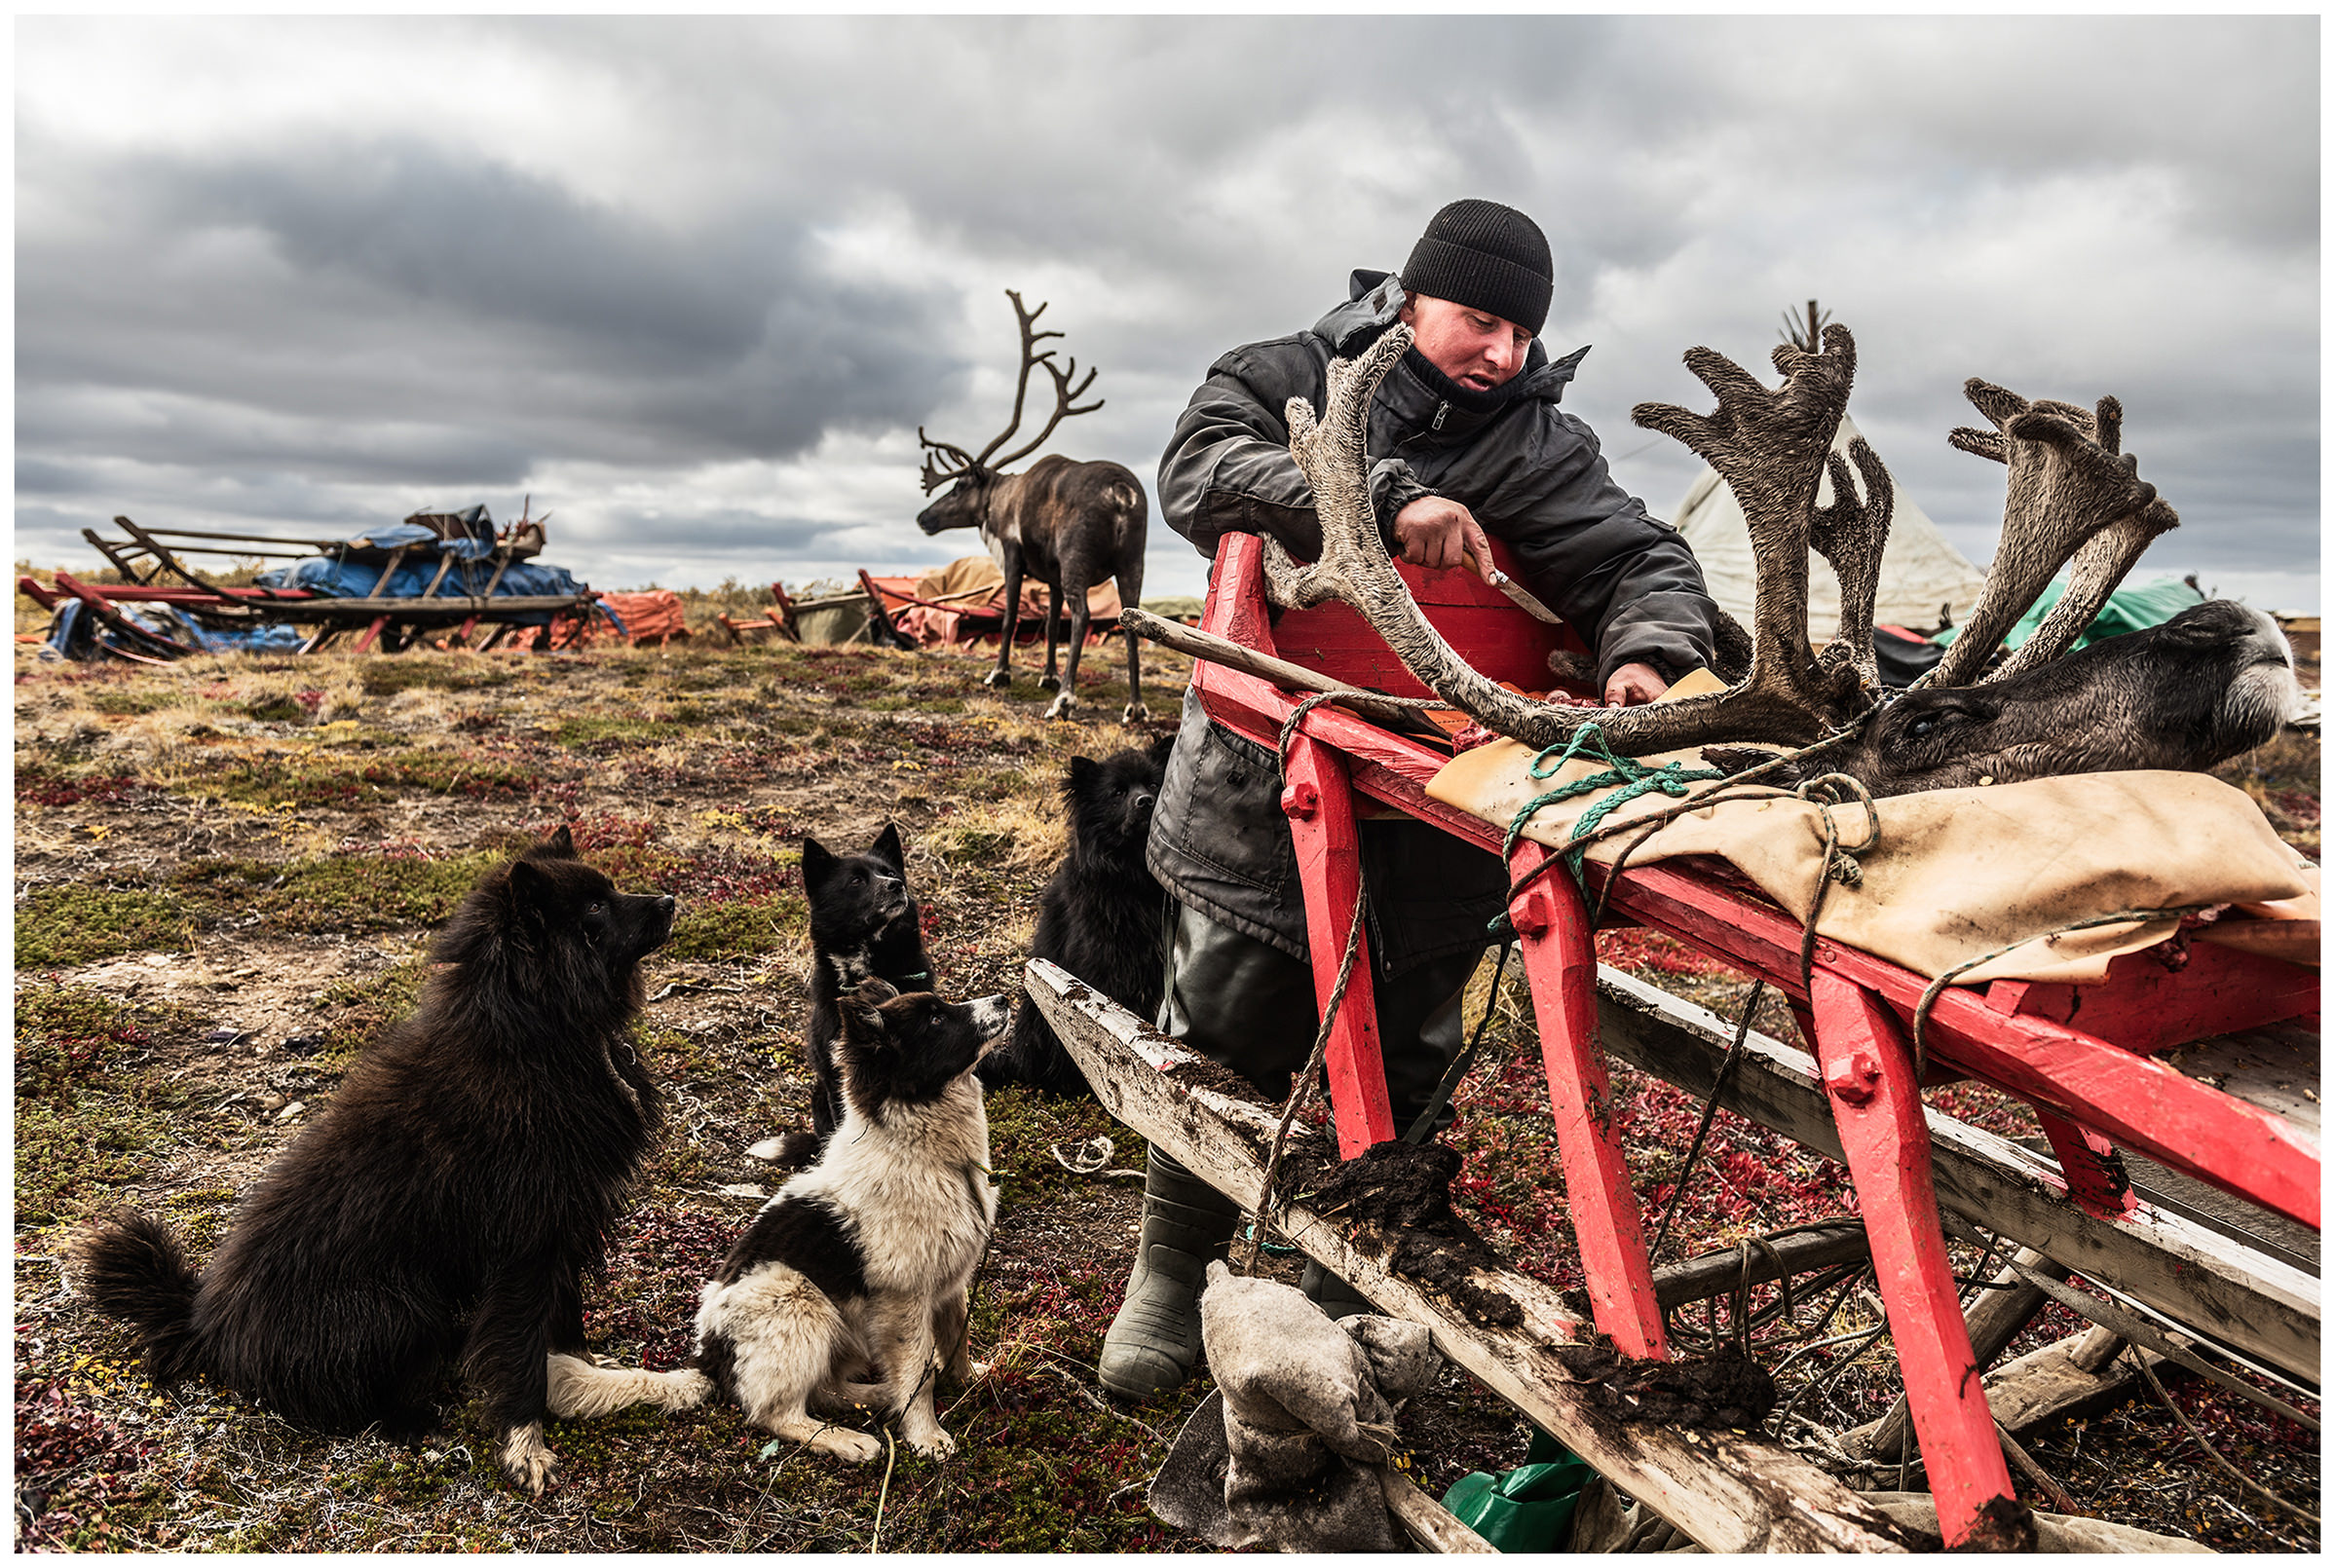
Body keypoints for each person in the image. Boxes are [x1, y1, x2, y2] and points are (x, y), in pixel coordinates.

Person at [1098, 199, 1722, 1398]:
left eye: (1522, 333)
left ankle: (1344, 1271)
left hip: (1447, 789)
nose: (1503, 352)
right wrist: (1379, 499)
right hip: (1260, 777)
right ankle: (1173, 1267)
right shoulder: (1281, 372)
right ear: (1410, 299)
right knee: (1223, 1019)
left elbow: (1638, 555)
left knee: (1416, 1032)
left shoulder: (1540, 445)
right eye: (1480, 319)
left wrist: (1643, 647)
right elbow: (1199, 471)